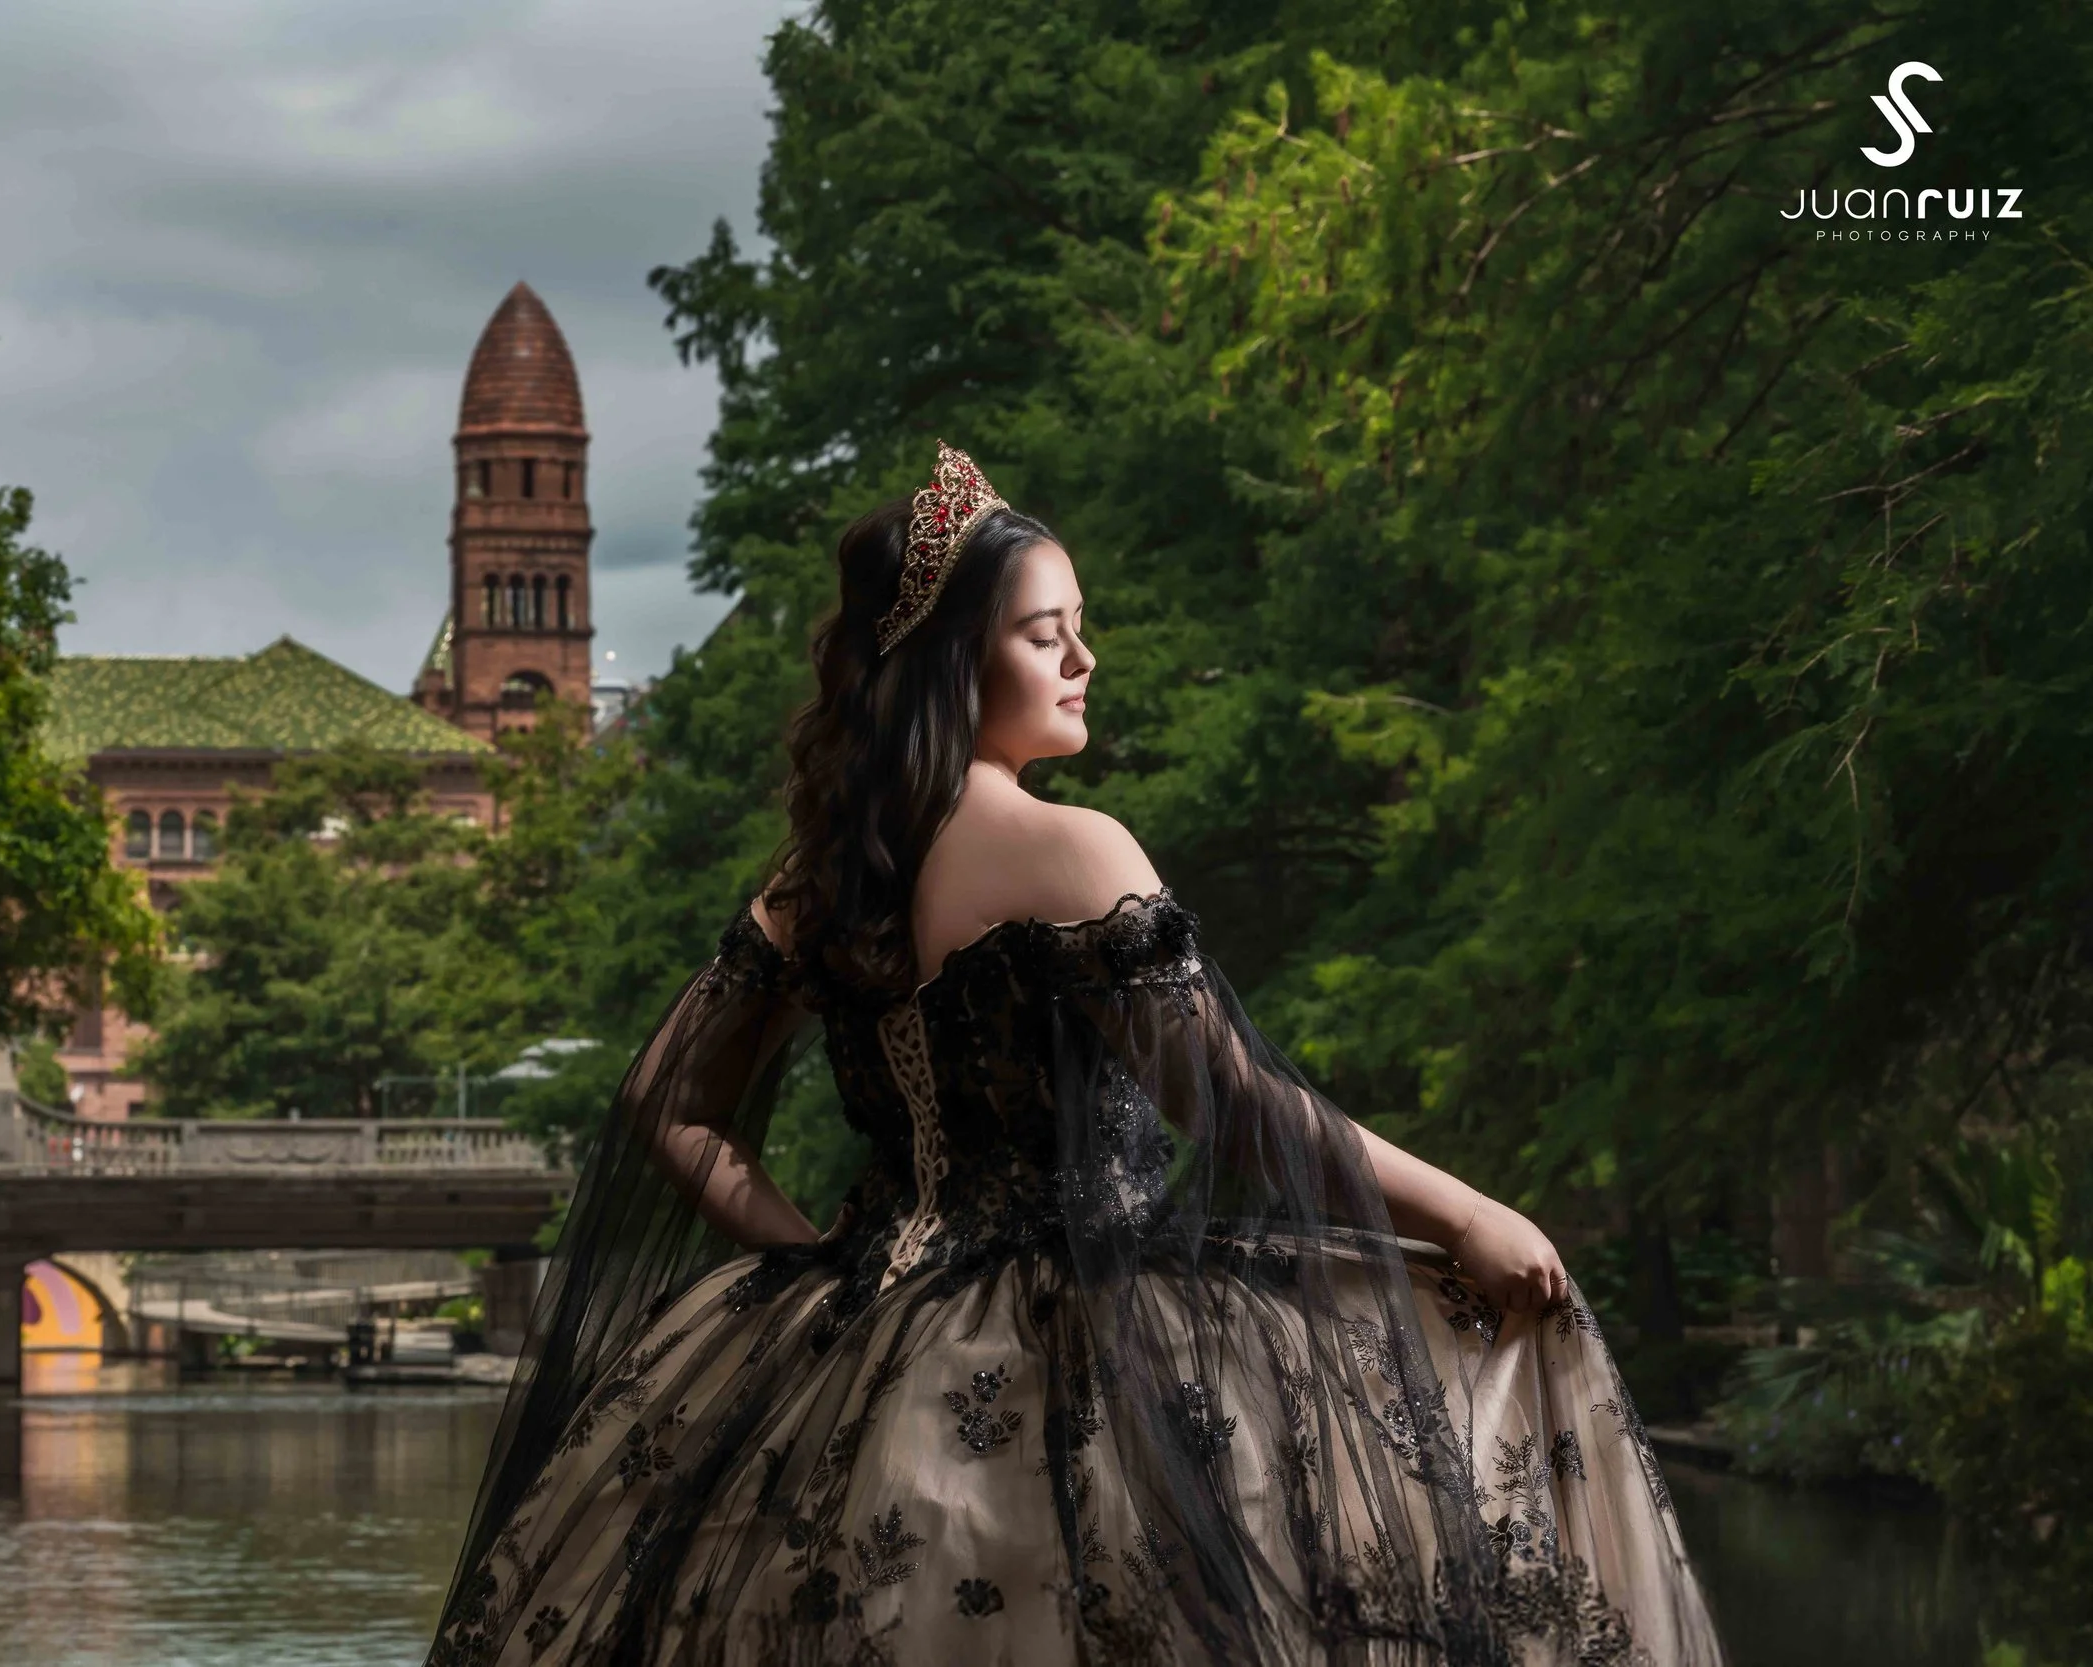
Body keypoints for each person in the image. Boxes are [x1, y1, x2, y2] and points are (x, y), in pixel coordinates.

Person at [429, 444, 1723, 1666]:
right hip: (1095, 1339)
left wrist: (803, 1249)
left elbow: (668, 1103)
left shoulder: (821, 878)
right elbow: (1230, 1101)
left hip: (854, 1341)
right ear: (950, 661)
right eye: (1046, 635)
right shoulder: (1072, 852)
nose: (1083, 658)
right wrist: (1469, 1210)